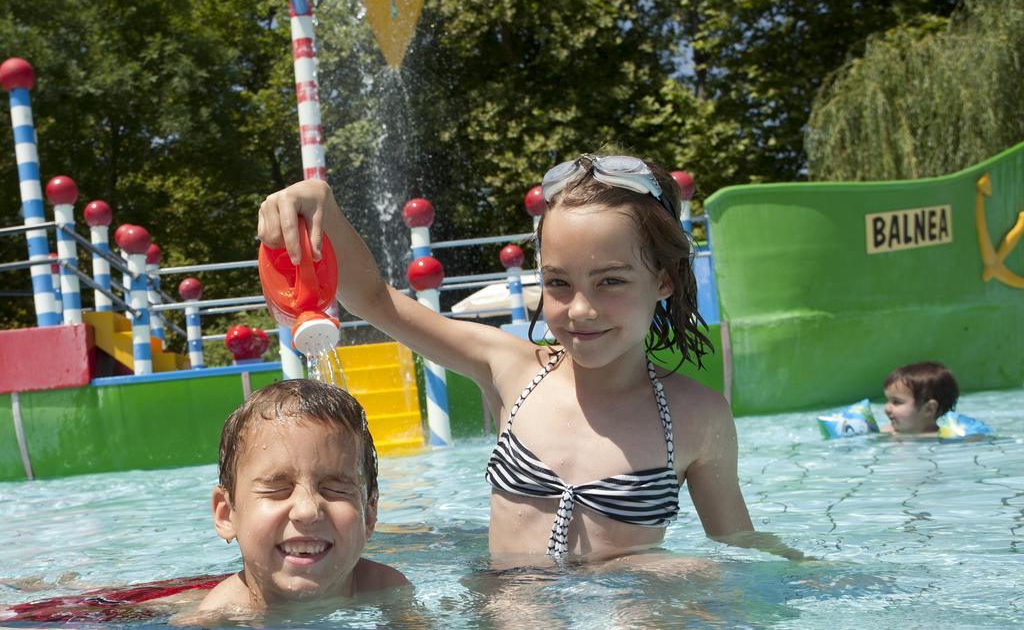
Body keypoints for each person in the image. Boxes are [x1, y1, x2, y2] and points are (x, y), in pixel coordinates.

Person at [258, 151, 798, 561]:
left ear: (663, 279)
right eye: (559, 283)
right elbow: (377, 301)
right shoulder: (511, 369)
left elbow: (740, 547)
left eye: (611, 281)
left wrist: (816, 573)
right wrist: (323, 208)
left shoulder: (698, 416)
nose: (580, 309)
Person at [191, 379, 410, 619]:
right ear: (226, 514)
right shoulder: (218, 616)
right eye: (277, 490)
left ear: (369, 513)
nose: (307, 511)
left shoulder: (386, 589)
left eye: (335, 489)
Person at [881, 361, 959, 435]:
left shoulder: (944, 438)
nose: (887, 408)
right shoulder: (886, 432)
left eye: (896, 402)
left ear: (929, 409)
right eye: (888, 400)